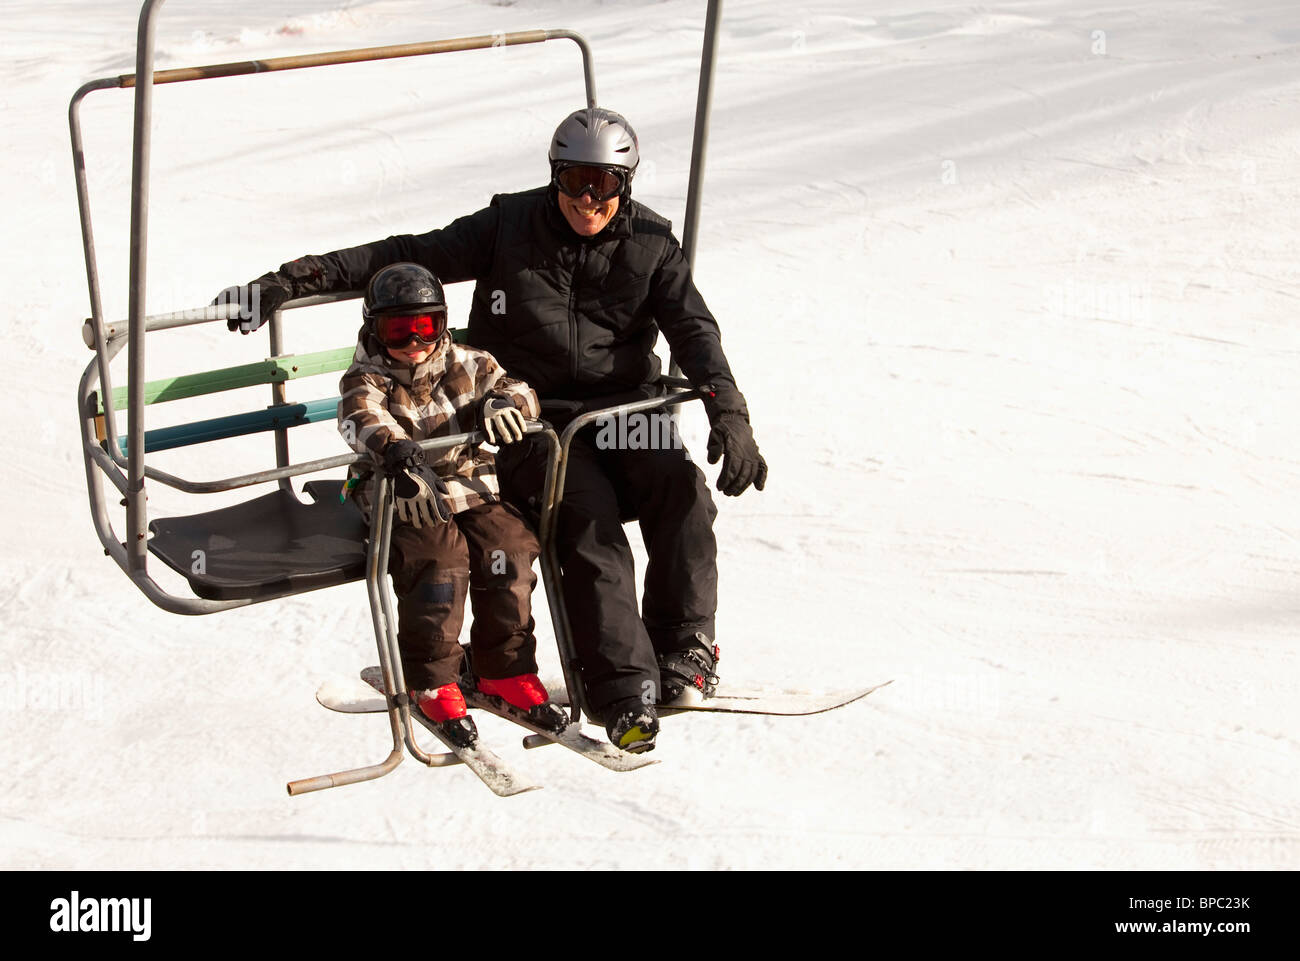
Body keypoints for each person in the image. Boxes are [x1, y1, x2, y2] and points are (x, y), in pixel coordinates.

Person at [216, 107, 766, 752]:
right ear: (554, 176)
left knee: (683, 493)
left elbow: (694, 332)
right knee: (584, 525)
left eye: (606, 184)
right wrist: (292, 280)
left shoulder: (651, 242)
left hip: (625, 415)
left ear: (628, 182)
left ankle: (686, 649)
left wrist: (729, 413)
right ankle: (624, 692)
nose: (589, 199)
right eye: (575, 180)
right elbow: (406, 256)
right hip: (531, 422)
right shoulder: (509, 227)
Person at [336, 261, 566, 748]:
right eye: (399, 329)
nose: (415, 341)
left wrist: (502, 406)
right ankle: (432, 678)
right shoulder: (366, 379)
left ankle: (503, 670)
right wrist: (397, 454)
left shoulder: (470, 362)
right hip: (401, 492)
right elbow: (360, 419)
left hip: (468, 483)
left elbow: (519, 389)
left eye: (427, 326)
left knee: (509, 550)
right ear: (373, 329)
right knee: (439, 562)